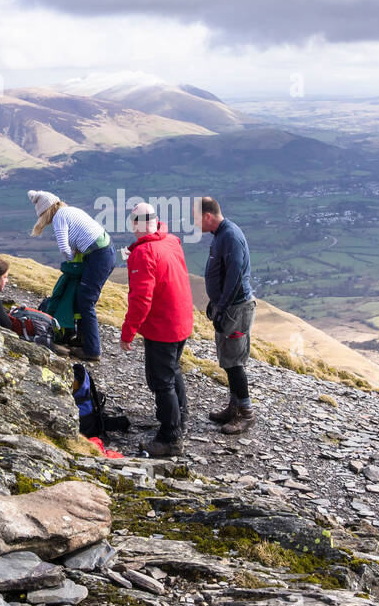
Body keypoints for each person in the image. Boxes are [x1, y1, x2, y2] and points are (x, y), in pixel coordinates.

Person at [119, 202, 195, 457]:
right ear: (156, 220)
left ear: (134, 224)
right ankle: (180, 419)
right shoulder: (171, 241)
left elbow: (141, 299)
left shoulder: (144, 253)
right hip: (181, 319)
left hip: (163, 326)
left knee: (161, 381)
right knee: (172, 369)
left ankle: (170, 438)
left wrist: (128, 332)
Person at [28, 189, 116, 362]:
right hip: (104, 253)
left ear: (46, 211)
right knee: (83, 298)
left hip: (98, 256)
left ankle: (92, 350)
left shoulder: (60, 217)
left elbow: (63, 247)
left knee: (86, 300)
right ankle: (83, 341)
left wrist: (70, 262)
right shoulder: (70, 211)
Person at [199, 196, 257, 434]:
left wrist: (222, 307)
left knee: (234, 364)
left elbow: (234, 276)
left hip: (236, 308)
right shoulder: (222, 235)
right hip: (228, 306)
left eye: (197, 219)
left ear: (208, 216)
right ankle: (233, 408)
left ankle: (246, 414)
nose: (195, 225)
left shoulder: (230, 236)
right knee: (227, 360)